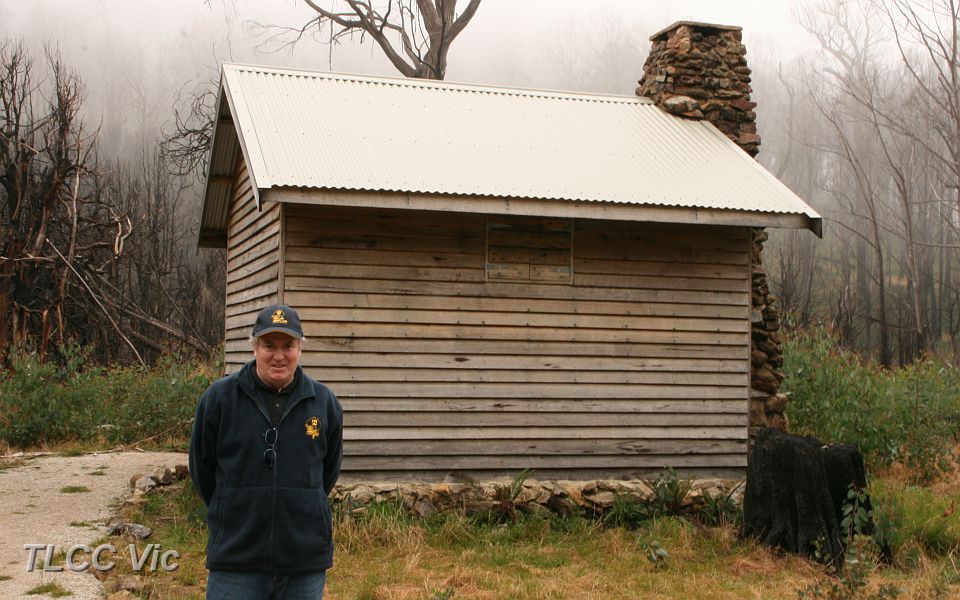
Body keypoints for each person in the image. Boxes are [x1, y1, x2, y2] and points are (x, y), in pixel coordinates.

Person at [189, 304, 343, 600]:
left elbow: (327, 474)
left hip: (304, 562)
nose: (279, 355)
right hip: (236, 561)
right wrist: (235, 506)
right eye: (268, 345)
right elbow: (203, 470)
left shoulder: (324, 403)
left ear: (300, 348)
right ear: (254, 347)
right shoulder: (219, 399)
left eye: (288, 345)